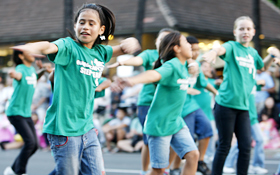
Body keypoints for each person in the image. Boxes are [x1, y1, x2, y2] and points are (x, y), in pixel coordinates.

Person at [11, 3, 141, 175]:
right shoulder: (68, 47)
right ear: (75, 25)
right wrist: (32, 47)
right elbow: (49, 46)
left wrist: (131, 41)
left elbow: (123, 48)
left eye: (91, 23)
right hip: (64, 129)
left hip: (86, 127)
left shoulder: (101, 52)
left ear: (101, 29)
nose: (85, 27)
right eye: (81, 22)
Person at [203, 16, 280, 175]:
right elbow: (220, 50)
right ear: (235, 32)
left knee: (245, 147)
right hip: (226, 105)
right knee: (225, 146)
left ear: (253, 32)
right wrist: (212, 52)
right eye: (241, 29)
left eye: (248, 29)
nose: (245, 31)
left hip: (243, 107)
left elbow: (261, 67)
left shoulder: (252, 52)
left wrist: (272, 56)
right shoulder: (232, 46)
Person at [118, 31, 200, 175]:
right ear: (177, 48)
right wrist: (132, 80)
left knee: (193, 155)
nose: (190, 46)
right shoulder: (172, 65)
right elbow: (154, 74)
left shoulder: (182, 65)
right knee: (158, 170)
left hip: (175, 122)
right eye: (186, 42)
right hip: (159, 124)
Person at [108, 28, 175, 175]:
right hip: (147, 103)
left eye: (167, 40)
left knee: (171, 136)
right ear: (157, 41)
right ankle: (144, 171)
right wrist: (122, 63)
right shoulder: (150, 54)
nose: (163, 42)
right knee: (149, 139)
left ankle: (165, 169)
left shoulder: (173, 59)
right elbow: (138, 60)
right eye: (161, 39)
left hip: (167, 104)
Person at [170, 36, 216, 175]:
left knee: (207, 129)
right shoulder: (178, 64)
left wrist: (216, 93)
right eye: (193, 49)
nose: (196, 53)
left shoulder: (197, 66)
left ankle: (200, 161)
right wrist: (185, 88)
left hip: (193, 105)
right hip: (181, 108)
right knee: (185, 143)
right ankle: (174, 168)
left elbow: (203, 82)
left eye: (197, 50)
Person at [3, 49, 47, 175]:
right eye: (29, 52)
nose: (32, 54)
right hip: (15, 112)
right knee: (30, 142)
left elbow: (33, 78)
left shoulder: (31, 70)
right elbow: (18, 76)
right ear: (21, 56)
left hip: (26, 112)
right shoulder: (20, 69)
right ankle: (19, 171)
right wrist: (13, 74)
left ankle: (12, 170)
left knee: (34, 145)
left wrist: (43, 70)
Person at [223, 83, 268, 174]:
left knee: (244, 142)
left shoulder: (253, 82)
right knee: (257, 140)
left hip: (252, 117)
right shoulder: (245, 82)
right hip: (248, 116)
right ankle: (256, 165)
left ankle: (229, 164)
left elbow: (259, 86)